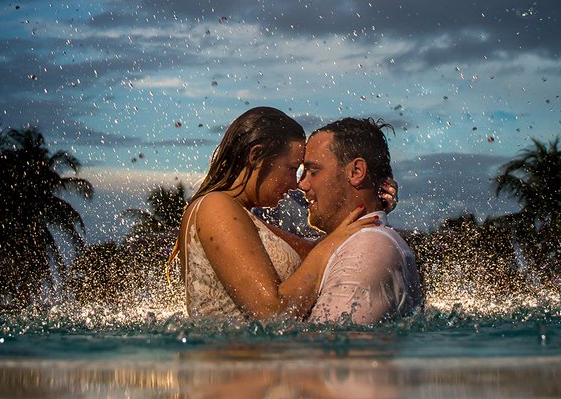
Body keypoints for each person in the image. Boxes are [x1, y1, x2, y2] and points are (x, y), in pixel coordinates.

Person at [174, 106, 379, 321]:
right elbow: (271, 313)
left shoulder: (238, 214)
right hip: (231, 354)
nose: (296, 184)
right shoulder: (216, 207)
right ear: (256, 155)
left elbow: (312, 251)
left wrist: (372, 199)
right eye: (292, 169)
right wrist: (328, 246)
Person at [298, 118, 423, 325]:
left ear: (356, 172)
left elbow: (327, 348)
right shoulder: (362, 241)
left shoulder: (369, 247)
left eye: (313, 172)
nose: (302, 184)